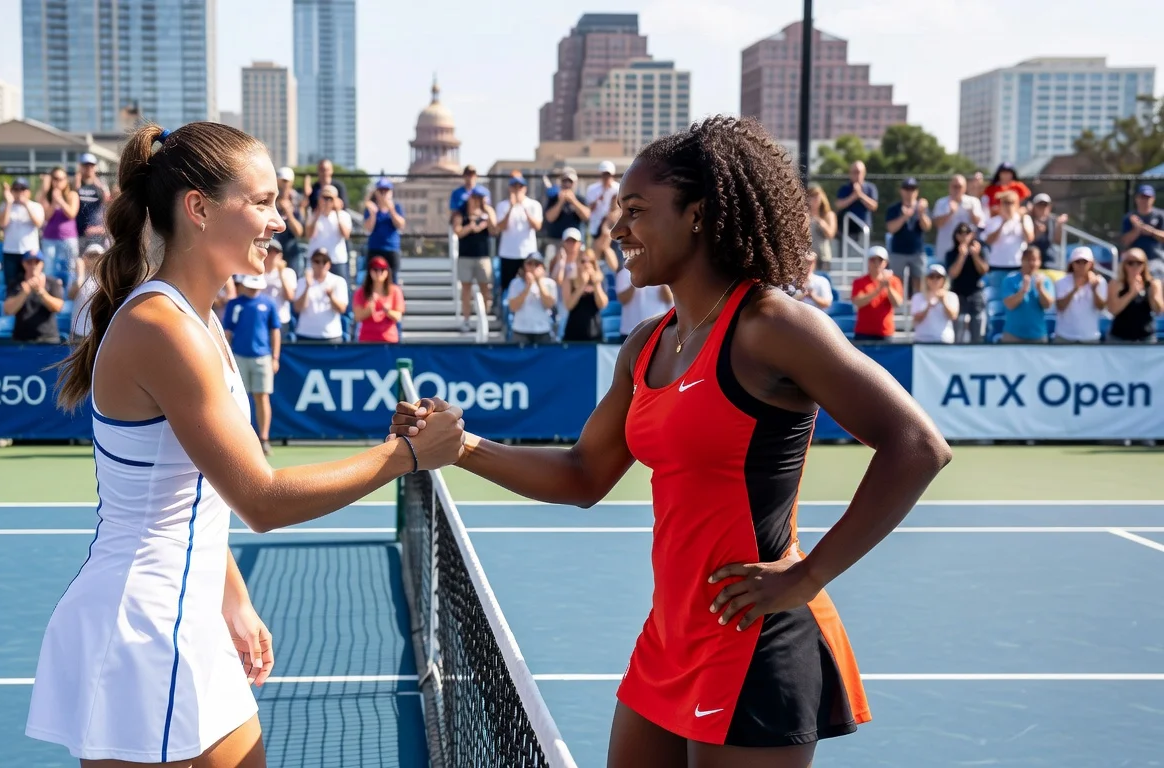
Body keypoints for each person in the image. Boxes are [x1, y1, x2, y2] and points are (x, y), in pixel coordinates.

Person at [390, 116, 950, 768]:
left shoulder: (771, 326)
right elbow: (582, 475)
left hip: (752, 640)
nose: (617, 229)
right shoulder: (645, 345)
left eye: (635, 210)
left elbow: (916, 445)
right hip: (668, 638)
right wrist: (461, 447)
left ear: (697, 215)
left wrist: (807, 574)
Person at [35, 121, 464, 767]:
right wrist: (405, 457)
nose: (280, 222)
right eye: (261, 202)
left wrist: (229, 595)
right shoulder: (163, 328)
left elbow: (194, 485)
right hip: (146, 628)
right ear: (199, 209)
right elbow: (260, 500)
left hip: (183, 614)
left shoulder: (200, 322)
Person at [222, 274, 282, 454]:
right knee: (238, 400)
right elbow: (227, 332)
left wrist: (275, 357)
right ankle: (241, 442)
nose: (253, 289)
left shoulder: (269, 303)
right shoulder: (234, 304)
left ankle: (264, 439)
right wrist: (226, 358)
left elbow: (275, 331)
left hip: (262, 357)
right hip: (238, 358)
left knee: (262, 397)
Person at [495, 175, 545, 305]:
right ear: (510, 188)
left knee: (530, 283)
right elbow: (501, 227)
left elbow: (537, 226)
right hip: (508, 253)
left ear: (525, 188)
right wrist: (511, 207)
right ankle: (506, 315)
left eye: (520, 186)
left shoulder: (533, 205)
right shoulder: (502, 205)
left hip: (528, 254)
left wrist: (524, 209)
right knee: (507, 287)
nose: (517, 189)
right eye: (514, 186)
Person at [452, 187, 494, 332]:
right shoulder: (460, 214)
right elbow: (457, 232)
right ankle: (466, 320)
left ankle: (486, 317)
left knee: (485, 287)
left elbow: (495, 230)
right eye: (475, 197)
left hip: (483, 257)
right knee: (466, 289)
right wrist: (471, 226)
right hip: (465, 256)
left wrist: (488, 213)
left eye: (480, 198)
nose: (478, 201)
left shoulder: (487, 213)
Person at [2, 251, 63, 343]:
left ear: (42, 264)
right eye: (29, 262)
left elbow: (58, 307)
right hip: (22, 339)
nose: (33, 265)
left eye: (37, 262)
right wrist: (23, 293)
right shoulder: (16, 283)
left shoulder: (52, 282)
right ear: (23, 264)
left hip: (48, 338)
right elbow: (8, 310)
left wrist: (41, 292)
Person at [1106, 248, 1164, 343]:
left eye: (1139, 262)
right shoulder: (1116, 284)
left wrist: (1152, 294)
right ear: (1124, 265)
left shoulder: (1153, 283)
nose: (1135, 266)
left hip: (1145, 338)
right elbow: (1113, 310)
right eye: (1130, 263)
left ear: (1144, 265)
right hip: (1119, 338)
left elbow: (1159, 310)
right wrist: (1131, 293)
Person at [884, 178, 931, 296]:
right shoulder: (894, 209)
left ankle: (917, 307)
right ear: (901, 191)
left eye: (912, 189)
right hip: (898, 251)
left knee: (920, 282)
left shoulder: (921, 208)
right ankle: (898, 308)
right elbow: (891, 228)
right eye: (907, 189)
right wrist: (904, 217)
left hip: (917, 251)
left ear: (917, 191)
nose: (909, 192)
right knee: (896, 281)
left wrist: (921, 214)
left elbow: (927, 227)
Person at [1052, 247, 1108, 344]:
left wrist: (1094, 290)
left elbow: (1101, 307)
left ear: (1091, 264)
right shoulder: (1061, 282)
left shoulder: (1100, 282)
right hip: (1065, 337)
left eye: (1084, 262)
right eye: (1078, 262)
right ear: (1072, 264)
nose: (1081, 265)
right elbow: (1060, 307)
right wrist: (1075, 289)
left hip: (1089, 337)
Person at [292, 247, 349, 342]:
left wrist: (331, 297)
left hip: (331, 335)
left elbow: (342, 309)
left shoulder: (338, 281)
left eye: (324, 261)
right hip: (305, 335)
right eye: (317, 261)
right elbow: (298, 308)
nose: (321, 264)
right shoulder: (302, 281)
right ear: (312, 263)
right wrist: (307, 287)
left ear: (329, 264)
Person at [982, 190, 1033, 295]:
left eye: (1011, 202)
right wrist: (1002, 224)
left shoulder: (1024, 219)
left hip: (1017, 266)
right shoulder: (993, 221)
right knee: (997, 298)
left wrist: (1022, 220)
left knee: (1015, 297)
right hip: (997, 266)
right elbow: (988, 241)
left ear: (1017, 204)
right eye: (1005, 202)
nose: (1008, 206)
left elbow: (1029, 238)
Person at [945, 223, 989, 344]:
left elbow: (984, 270)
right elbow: (953, 274)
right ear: (956, 236)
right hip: (958, 294)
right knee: (958, 331)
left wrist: (975, 255)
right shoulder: (951, 253)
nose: (964, 237)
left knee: (977, 331)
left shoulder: (980, 251)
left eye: (967, 234)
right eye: (961, 234)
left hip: (975, 293)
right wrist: (961, 256)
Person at [0, 178, 47, 289]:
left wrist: (26, 204)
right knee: (11, 284)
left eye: (22, 189)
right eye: (16, 189)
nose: (19, 192)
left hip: (30, 252)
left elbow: (38, 223)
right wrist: (9, 203)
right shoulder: (5, 206)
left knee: (32, 282)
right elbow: (2, 224)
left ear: (28, 192)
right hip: (10, 251)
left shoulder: (36, 206)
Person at [1000, 246, 1053, 343]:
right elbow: (1009, 305)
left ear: (1039, 261)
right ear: (1022, 260)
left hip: (1038, 335)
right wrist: (1023, 290)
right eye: (1028, 260)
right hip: (1013, 335)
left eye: (1034, 260)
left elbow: (1048, 305)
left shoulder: (1045, 280)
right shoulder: (1010, 279)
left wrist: (1040, 289)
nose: (1031, 263)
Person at [850, 246, 903, 341]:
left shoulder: (894, 281)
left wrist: (888, 287)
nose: (876, 264)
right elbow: (858, 302)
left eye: (880, 261)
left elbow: (897, 303)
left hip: (885, 332)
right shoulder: (859, 282)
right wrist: (878, 290)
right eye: (873, 260)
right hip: (863, 332)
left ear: (885, 263)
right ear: (868, 262)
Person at [505, 253, 558, 345]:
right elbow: (513, 307)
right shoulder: (515, 283)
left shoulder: (550, 284)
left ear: (542, 267)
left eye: (537, 265)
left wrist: (539, 282)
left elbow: (549, 305)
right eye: (530, 264)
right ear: (524, 266)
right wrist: (527, 287)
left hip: (543, 331)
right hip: (520, 331)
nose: (533, 268)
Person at [931, 174, 985, 262]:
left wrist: (971, 213)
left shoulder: (973, 202)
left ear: (965, 187)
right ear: (949, 187)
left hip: (967, 251)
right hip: (945, 248)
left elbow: (979, 224)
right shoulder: (941, 202)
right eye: (954, 186)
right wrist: (949, 213)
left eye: (959, 186)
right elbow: (937, 224)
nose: (957, 189)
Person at [304, 184, 351, 283]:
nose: (327, 201)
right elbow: (309, 234)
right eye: (324, 197)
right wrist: (317, 214)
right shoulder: (312, 215)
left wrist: (337, 211)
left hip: (336, 260)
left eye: (330, 198)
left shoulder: (344, 215)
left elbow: (346, 235)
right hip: (316, 260)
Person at [39, 167, 81, 276]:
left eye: (61, 179)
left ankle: (67, 293)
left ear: (66, 180)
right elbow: (46, 217)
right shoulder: (46, 197)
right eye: (55, 179)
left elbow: (72, 214)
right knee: (49, 271)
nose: (58, 182)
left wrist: (60, 201)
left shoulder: (72, 195)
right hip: (49, 240)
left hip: (68, 239)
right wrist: (53, 201)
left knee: (69, 270)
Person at [543, 168, 591, 261]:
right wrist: (560, 202)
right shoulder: (553, 199)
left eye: (570, 181)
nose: (567, 184)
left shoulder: (580, 199)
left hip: (575, 243)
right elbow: (549, 218)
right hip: (557, 241)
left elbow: (586, 216)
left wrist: (573, 201)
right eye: (565, 181)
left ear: (575, 183)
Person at [560, 247, 608, 342]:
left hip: (594, 332)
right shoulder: (569, 280)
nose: (586, 265)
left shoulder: (599, 281)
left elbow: (602, 304)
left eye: (590, 261)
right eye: (583, 261)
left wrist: (596, 284)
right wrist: (582, 285)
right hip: (573, 333)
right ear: (577, 262)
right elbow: (569, 305)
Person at [353, 256, 405, 343]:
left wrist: (387, 311)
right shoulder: (361, 292)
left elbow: (398, 316)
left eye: (382, 270)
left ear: (387, 272)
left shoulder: (395, 290)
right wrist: (369, 309)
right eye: (375, 270)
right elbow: (357, 317)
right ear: (370, 271)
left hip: (389, 339)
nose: (379, 273)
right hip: (367, 340)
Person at [363, 178, 406, 279]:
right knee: (372, 279)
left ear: (391, 192)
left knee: (392, 278)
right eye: (381, 190)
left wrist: (391, 210)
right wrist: (373, 213)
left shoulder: (397, 207)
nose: (383, 193)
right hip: (375, 248)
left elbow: (400, 225)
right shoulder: (371, 208)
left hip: (391, 248)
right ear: (376, 192)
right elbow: (368, 228)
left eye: (386, 190)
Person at [1120, 184, 1164, 281]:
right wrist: (1137, 230)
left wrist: (1151, 231)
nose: (1145, 201)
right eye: (1142, 197)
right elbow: (1124, 242)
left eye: (1148, 197)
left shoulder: (1161, 215)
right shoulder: (1129, 218)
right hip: (1134, 262)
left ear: (1153, 199)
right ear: (1136, 199)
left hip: (1156, 260)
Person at [908, 264, 958, 344]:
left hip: (943, 339)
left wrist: (944, 302)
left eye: (938, 277)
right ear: (926, 279)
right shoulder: (917, 297)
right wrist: (928, 306)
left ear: (944, 280)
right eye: (931, 276)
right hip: (922, 340)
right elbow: (916, 319)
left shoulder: (951, 296)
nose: (935, 280)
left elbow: (953, 316)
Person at [834, 160, 878, 247]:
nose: (857, 175)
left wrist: (861, 195)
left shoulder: (870, 188)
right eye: (854, 172)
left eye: (859, 172)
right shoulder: (844, 188)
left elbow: (874, 206)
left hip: (863, 229)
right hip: (846, 230)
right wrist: (853, 197)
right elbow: (838, 205)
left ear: (864, 173)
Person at [75, 153, 111, 251]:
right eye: (86, 165)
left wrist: (102, 228)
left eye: (91, 165)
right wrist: (76, 184)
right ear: (80, 167)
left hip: (97, 232)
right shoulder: (75, 185)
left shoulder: (101, 186)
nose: (89, 168)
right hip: (79, 233)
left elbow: (107, 205)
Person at [69, 243, 105, 342]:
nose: (94, 259)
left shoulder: (106, 278)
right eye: (91, 256)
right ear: (84, 258)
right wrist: (80, 276)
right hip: (79, 332)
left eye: (98, 256)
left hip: (97, 332)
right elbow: (71, 296)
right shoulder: (77, 276)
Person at [260, 239, 297, 332]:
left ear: (280, 255)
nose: (271, 255)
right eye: (268, 251)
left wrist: (281, 274)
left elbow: (290, 297)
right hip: (259, 317)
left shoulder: (289, 272)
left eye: (275, 252)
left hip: (281, 319)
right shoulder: (256, 272)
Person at [1028, 193, 1067, 269]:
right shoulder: (1028, 220)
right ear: (1034, 207)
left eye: (1045, 205)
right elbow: (1029, 241)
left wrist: (1059, 226)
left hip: (1050, 263)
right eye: (1040, 205)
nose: (1042, 208)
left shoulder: (1054, 220)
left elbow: (1057, 241)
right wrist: (1037, 232)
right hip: (1033, 263)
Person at [806, 185, 837, 271]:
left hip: (823, 257)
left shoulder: (828, 215)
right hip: (808, 256)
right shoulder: (804, 216)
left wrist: (821, 222)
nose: (815, 199)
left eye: (817, 196)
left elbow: (831, 234)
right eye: (812, 196)